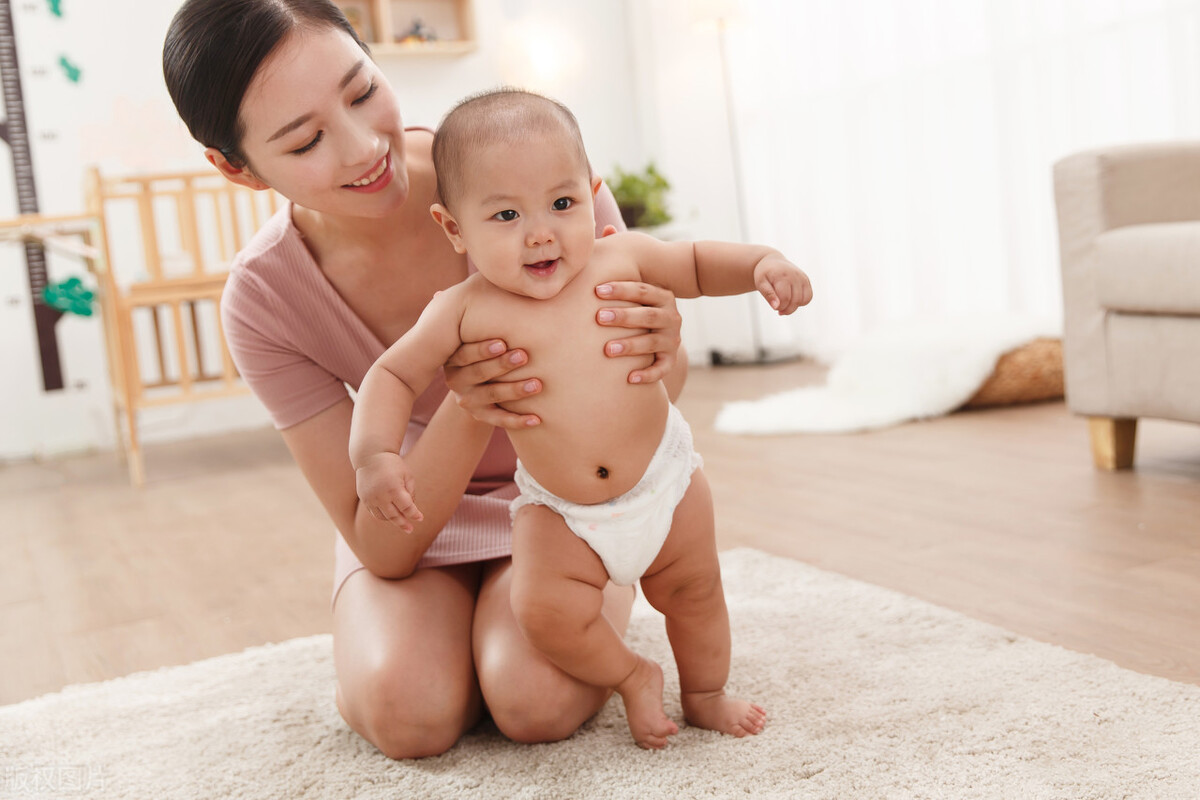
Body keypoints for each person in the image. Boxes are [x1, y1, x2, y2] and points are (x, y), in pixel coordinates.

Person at [162, 0, 692, 759]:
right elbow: (382, 545)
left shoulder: (522, 162)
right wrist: (470, 404)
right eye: (306, 140)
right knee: (407, 714)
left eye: (361, 91)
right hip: (418, 508)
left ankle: (517, 629)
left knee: (534, 700)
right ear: (235, 168)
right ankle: (449, 641)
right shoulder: (266, 298)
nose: (361, 146)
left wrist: (665, 342)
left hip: (567, 500)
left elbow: (659, 393)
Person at [349, 88, 812, 749]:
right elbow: (391, 375)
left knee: (696, 593)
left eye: (562, 204)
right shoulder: (460, 309)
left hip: (665, 483)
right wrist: (375, 454)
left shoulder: (620, 257)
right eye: (506, 214)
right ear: (455, 229)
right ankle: (630, 674)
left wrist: (764, 262)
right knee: (543, 612)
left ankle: (706, 692)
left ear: (590, 196)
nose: (541, 232)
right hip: (560, 512)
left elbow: (700, 262)